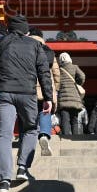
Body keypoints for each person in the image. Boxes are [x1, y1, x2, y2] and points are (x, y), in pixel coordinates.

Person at [0, 15, 53, 192]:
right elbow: (44, 71)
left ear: (10, 29)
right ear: (26, 30)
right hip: (27, 92)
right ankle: (22, 167)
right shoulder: (35, 45)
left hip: (4, 92)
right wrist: (48, 96)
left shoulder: (1, 43)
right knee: (31, 129)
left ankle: (3, 180)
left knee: (4, 134)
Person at [28, 27, 60, 155]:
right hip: (45, 87)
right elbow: (56, 73)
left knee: (29, 114)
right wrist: (55, 89)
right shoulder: (48, 50)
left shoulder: (25, 49)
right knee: (45, 112)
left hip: (28, 87)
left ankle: (28, 138)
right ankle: (44, 135)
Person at [56, 52, 86, 135]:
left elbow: (55, 82)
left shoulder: (58, 69)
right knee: (75, 119)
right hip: (75, 99)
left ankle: (66, 137)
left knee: (65, 120)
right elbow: (82, 76)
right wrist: (78, 83)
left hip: (63, 99)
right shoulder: (74, 67)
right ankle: (75, 137)